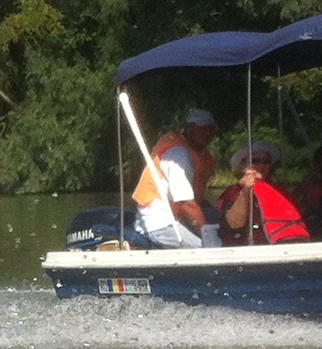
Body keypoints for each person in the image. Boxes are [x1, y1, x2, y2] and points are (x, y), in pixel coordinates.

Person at [132, 106, 220, 247]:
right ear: (190, 129)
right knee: (205, 248)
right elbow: (185, 203)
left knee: (219, 217)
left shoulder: (198, 155)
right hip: (160, 224)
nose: (207, 134)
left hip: (177, 218)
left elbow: (195, 199)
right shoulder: (179, 155)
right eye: (202, 129)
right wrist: (207, 231)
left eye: (210, 130)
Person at [220, 139, 312, 244]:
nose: (261, 165)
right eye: (255, 161)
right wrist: (246, 191)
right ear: (243, 165)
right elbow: (235, 223)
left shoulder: (278, 190)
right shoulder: (233, 191)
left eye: (266, 161)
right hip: (249, 245)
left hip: (283, 242)